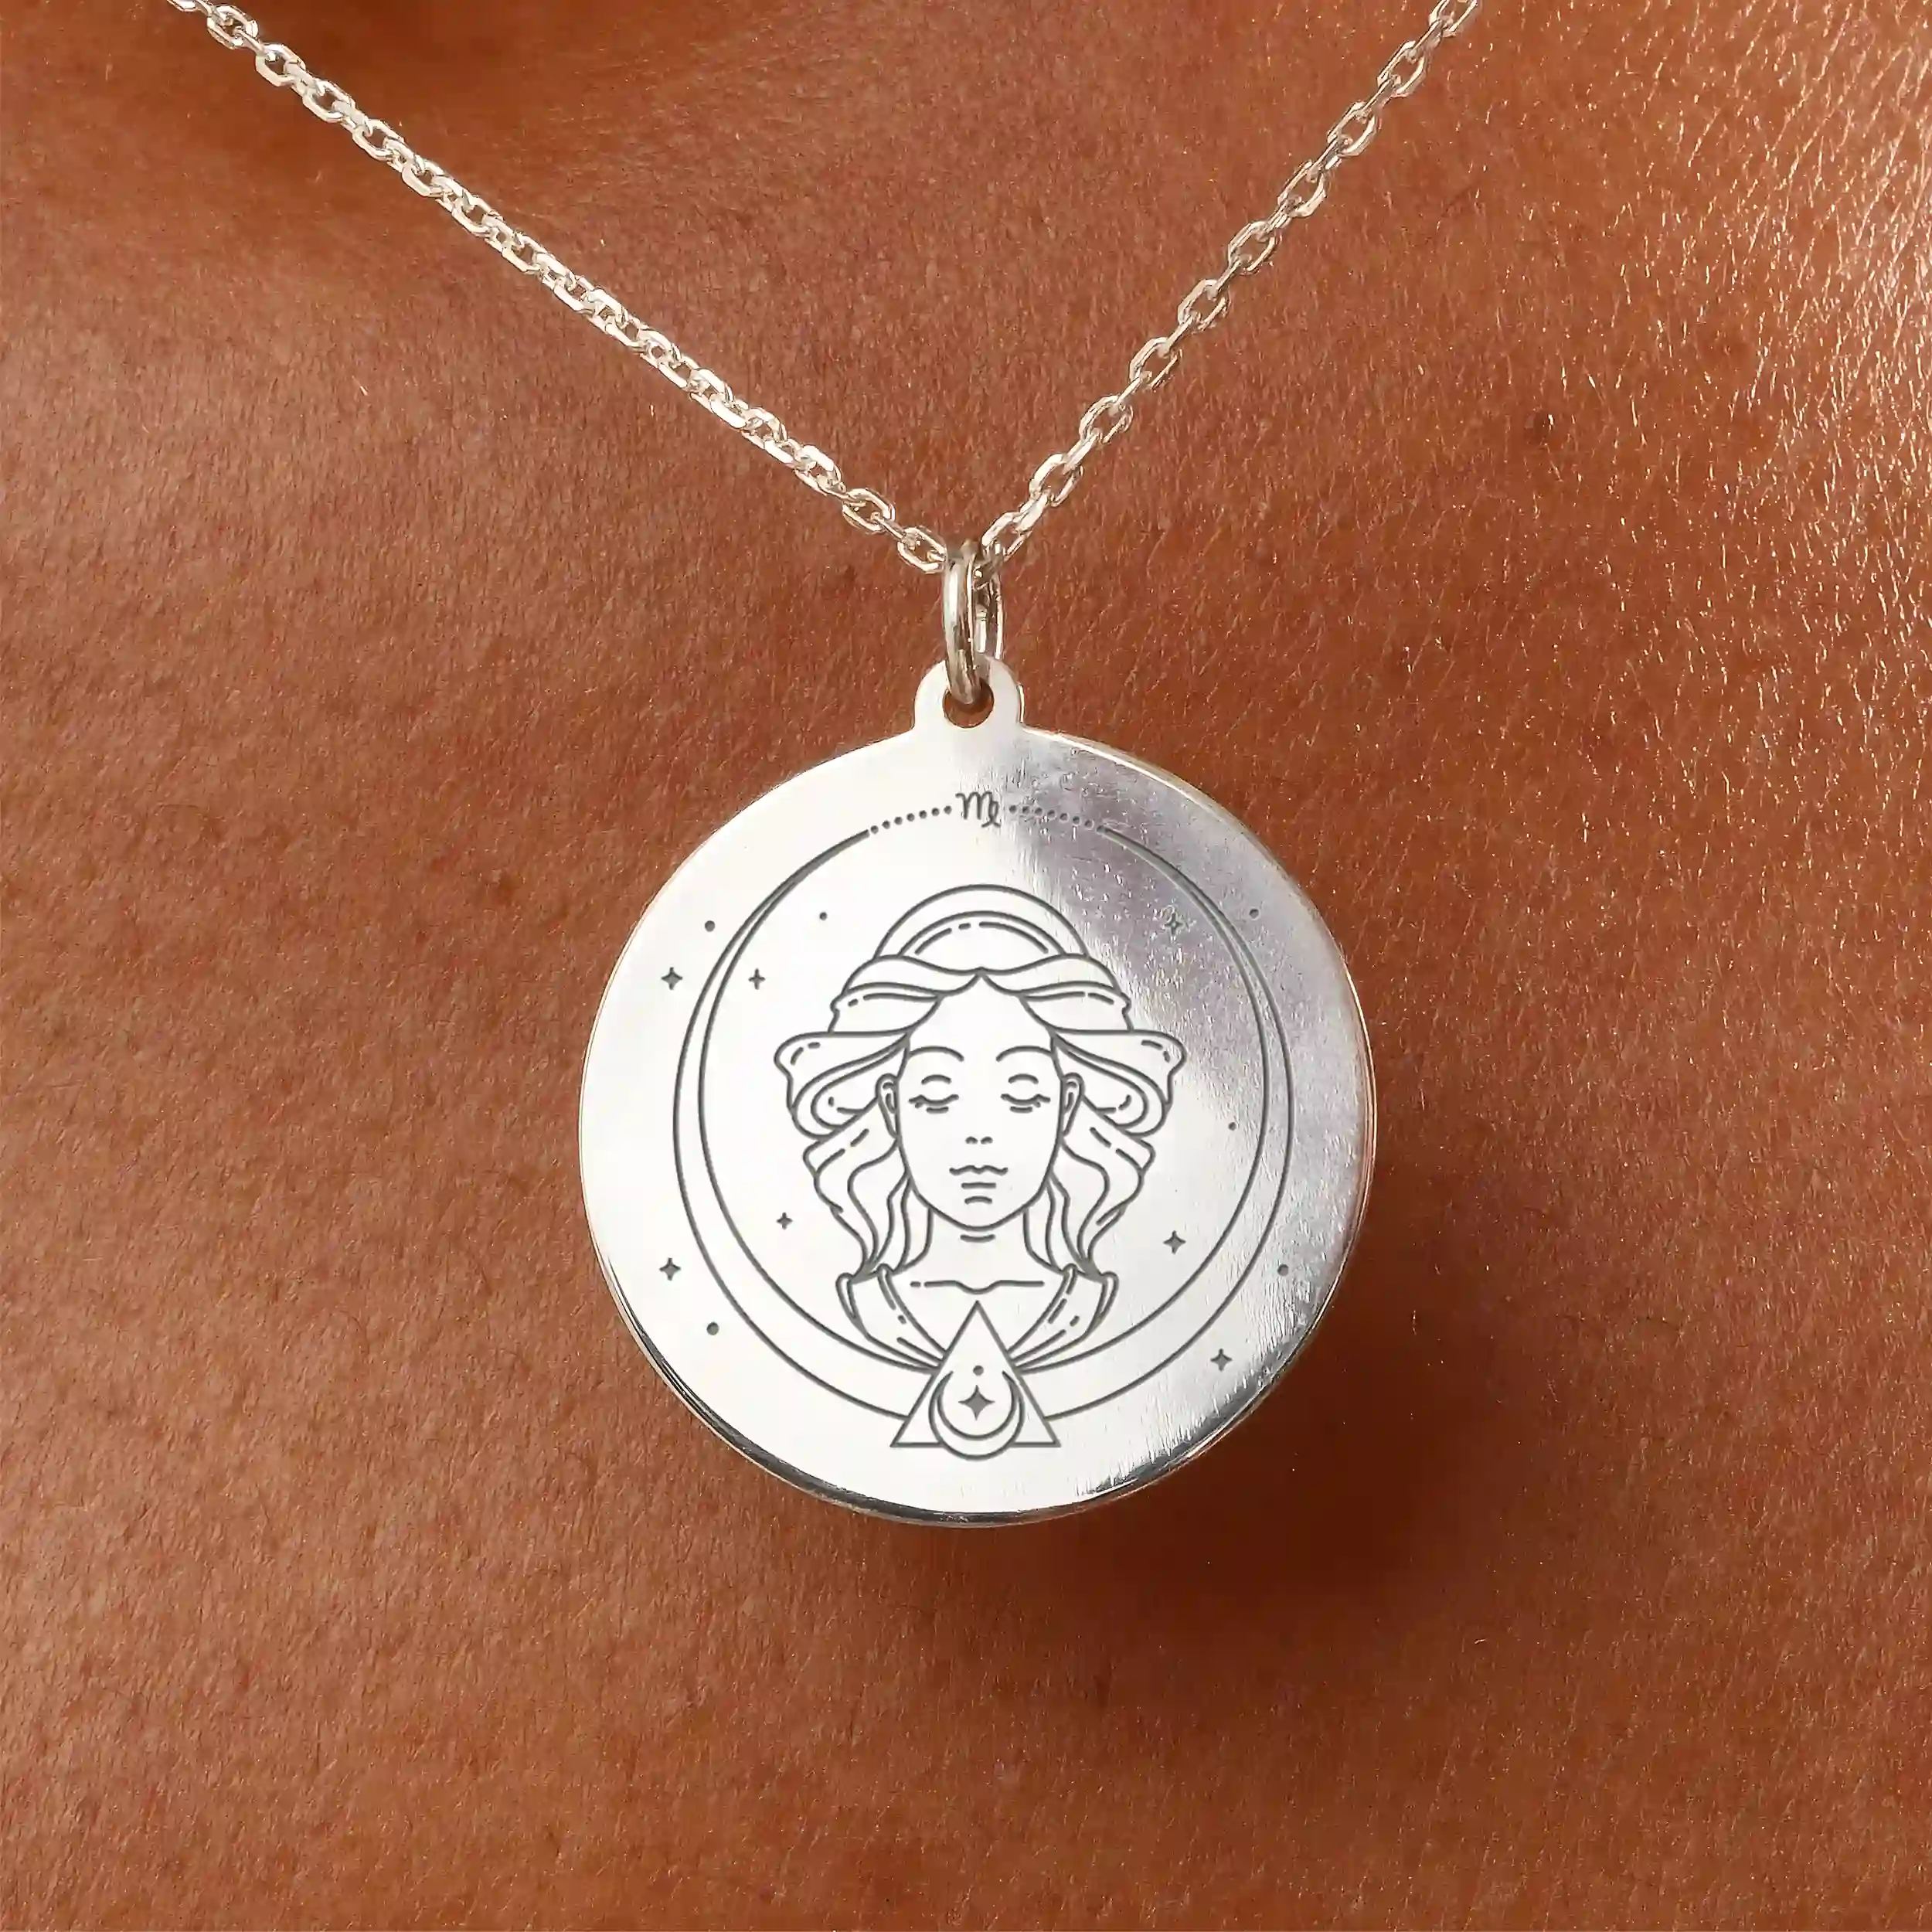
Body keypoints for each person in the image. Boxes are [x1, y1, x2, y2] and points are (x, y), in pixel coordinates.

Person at [777, 886, 1183, 1370]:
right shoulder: (864, 1312)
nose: (978, 1134)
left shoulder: (1089, 1310)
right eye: (936, 1093)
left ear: (1068, 1105)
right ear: (890, 1106)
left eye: (1022, 1093)